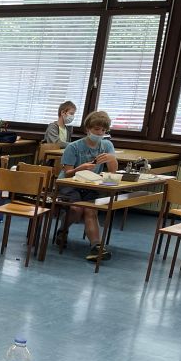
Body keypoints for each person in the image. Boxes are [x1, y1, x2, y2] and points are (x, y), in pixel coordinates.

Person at [54, 110, 119, 262]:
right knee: (76, 209)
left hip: (90, 185)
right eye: (96, 129)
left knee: (90, 210)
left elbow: (113, 172)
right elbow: (67, 173)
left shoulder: (107, 145)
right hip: (69, 184)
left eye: (103, 130)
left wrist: (111, 159)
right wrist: (80, 168)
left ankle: (96, 247)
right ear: (88, 129)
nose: (100, 133)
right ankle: (62, 230)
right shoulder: (73, 147)